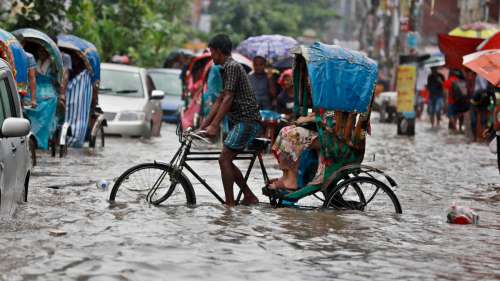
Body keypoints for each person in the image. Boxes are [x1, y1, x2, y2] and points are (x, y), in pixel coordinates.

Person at [200, 34, 261, 207]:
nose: (211, 56)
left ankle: (229, 205)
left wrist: (214, 126)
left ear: (218, 51)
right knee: (227, 159)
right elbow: (220, 99)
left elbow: (228, 99)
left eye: (212, 52)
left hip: (247, 120)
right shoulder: (226, 68)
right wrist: (202, 126)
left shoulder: (232, 66)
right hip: (241, 121)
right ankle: (248, 195)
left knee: (224, 160)